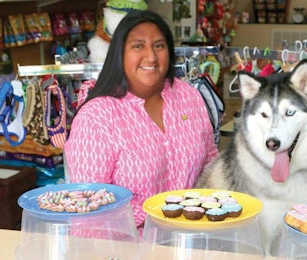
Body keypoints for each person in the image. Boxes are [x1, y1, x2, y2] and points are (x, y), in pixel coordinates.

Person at [64, 10, 219, 234]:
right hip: (125, 247)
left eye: (159, 46)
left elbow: (211, 164)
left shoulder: (187, 95)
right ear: (120, 53)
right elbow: (87, 207)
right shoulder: (97, 117)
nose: (151, 57)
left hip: (190, 240)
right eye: (138, 46)